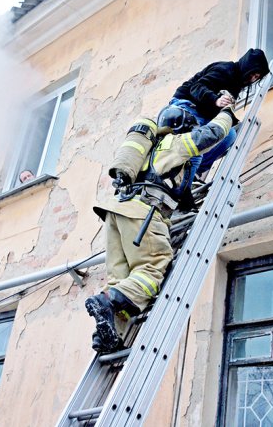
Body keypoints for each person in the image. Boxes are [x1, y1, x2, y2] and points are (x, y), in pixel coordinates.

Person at [86, 104, 238, 353]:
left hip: (116, 212)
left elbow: (170, 185)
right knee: (153, 268)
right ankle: (106, 302)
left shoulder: (147, 151)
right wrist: (227, 115)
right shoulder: (174, 143)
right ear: (182, 126)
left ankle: (107, 336)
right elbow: (212, 134)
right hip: (143, 214)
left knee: (122, 280)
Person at [169, 48, 269, 181]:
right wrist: (215, 100)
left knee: (229, 135)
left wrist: (233, 121)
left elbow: (220, 110)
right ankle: (185, 169)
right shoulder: (226, 70)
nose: (252, 79)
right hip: (186, 106)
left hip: (203, 113)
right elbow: (196, 87)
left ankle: (195, 172)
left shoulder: (236, 85)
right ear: (246, 67)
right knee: (198, 138)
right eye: (252, 74)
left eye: (256, 77)